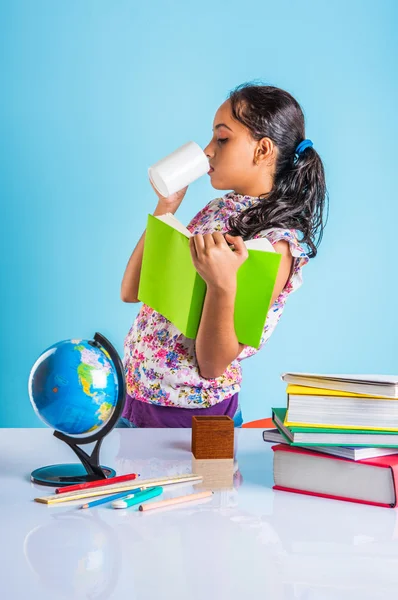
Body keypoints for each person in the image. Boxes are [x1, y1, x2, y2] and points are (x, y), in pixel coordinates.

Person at [119, 83, 328, 428]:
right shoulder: (219, 209)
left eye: (222, 139)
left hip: (194, 416)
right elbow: (132, 290)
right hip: (138, 398)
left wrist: (221, 285)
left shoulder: (274, 245)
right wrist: (166, 207)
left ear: (262, 150)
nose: (207, 151)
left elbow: (213, 364)